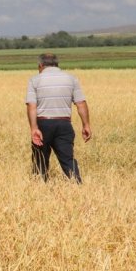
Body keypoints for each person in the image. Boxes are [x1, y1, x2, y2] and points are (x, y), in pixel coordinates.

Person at [26, 52, 91, 182]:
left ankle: (39, 189)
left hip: (43, 124)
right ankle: (77, 186)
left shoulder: (35, 80)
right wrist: (86, 125)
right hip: (64, 124)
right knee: (68, 160)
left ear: (41, 65)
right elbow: (81, 104)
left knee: (40, 160)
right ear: (57, 64)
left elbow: (31, 106)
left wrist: (34, 128)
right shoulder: (71, 79)